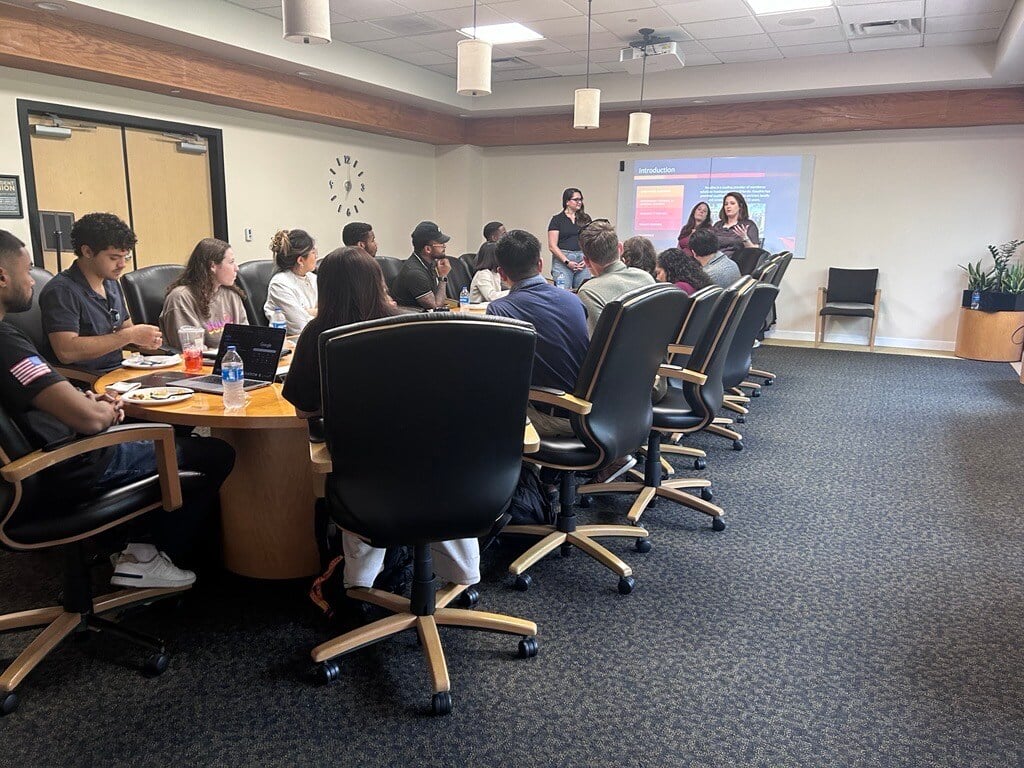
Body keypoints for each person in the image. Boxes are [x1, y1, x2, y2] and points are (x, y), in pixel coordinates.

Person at [0, 230, 235, 585]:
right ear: (2, 276)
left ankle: (133, 540)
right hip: (69, 464)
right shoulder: (7, 344)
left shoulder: (9, 338)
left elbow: (38, 396)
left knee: (175, 437)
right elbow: (90, 420)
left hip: (47, 453)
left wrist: (83, 400)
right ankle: (144, 555)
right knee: (216, 453)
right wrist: (103, 411)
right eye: (27, 269)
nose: (32, 280)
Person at [282, 246, 479, 590]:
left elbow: (303, 410)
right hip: (435, 465)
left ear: (325, 288)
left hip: (365, 476)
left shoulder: (318, 333)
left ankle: (362, 584)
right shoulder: (412, 323)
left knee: (354, 475)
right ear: (378, 281)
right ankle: (459, 575)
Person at [487, 230, 588, 438]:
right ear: (540, 264)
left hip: (552, 416)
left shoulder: (499, 310)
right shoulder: (574, 300)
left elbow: (500, 373)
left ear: (502, 274)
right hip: (589, 411)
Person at [39, 212, 163, 374]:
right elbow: (66, 352)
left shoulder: (110, 282)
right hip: (87, 379)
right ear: (87, 252)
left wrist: (144, 340)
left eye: (126, 257)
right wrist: (129, 336)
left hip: (120, 372)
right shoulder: (61, 291)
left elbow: (125, 329)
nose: (122, 264)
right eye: (114, 258)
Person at [160, 238, 248, 351]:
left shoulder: (231, 295)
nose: (237, 268)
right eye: (231, 262)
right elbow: (191, 348)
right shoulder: (180, 298)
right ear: (213, 266)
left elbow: (245, 338)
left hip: (231, 359)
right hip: (200, 361)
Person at [577, 221, 655, 336]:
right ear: (620, 248)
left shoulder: (589, 291)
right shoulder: (646, 278)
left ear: (586, 261)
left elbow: (598, 341)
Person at [265, 229, 318, 334]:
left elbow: (331, 311)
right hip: (292, 340)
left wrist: (307, 312)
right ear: (300, 260)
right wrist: (315, 312)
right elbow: (301, 326)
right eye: (313, 252)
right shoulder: (280, 284)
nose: (316, 256)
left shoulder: (313, 278)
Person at [390, 221, 452, 310]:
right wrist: (443, 278)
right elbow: (436, 307)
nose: (444, 246)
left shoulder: (429, 264)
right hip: (412, 318)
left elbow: (441, 300)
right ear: (428, 249)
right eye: (441, 244)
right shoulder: (415, 272)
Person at [547, 187, 590, 291]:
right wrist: (567, 262)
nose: (579, 202)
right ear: (567, 202)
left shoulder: (585, 219)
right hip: (563, 260)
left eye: (581, 199)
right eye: (576, 200)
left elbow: (590, 241)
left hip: (582, 259)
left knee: (583, 291)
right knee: (563, 292)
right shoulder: (557, 220)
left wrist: (587, 259)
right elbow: (552, 246)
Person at [712, 192, 760, 260]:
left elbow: (755, 251)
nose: (728, 206)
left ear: (740, 206)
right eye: (726, 204)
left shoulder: (748, 225)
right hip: (714, 261)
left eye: (732, 203)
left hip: (736, 262)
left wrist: (744, 238)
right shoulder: (718, 225)